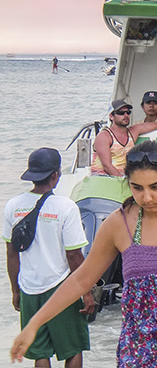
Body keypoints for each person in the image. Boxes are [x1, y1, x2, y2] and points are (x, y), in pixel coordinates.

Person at [11, 141, 157, 367]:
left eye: (156, 186)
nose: (147, 198)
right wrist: (35, 324)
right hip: (140, 348)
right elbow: (82, 280)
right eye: (137, 188)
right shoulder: (117, 224)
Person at [4, 148, 94, 368]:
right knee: (73, 347)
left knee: (40, 351)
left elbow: (12, 253)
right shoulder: (65, 207)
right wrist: (87, 292)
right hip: (61, 287)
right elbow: (73, 256)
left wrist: (16, 290)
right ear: (56, 175)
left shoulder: (13, 206)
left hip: (29, 287)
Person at [90, 99, 157, 176]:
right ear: (111, 116)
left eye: (128, 112)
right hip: (102, 177)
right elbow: (107, 166)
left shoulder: (132, 132)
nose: (125, 115)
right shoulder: (104, 136)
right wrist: (123, 181)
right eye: (121, 112)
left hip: (123, 177)